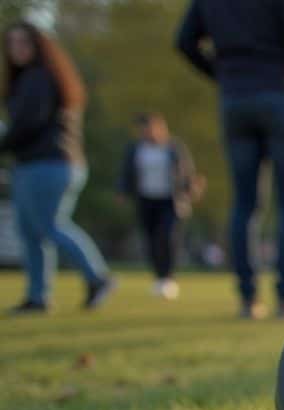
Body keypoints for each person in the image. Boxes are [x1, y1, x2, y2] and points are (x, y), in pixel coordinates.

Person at [176, 0, 284, 319]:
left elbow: (184, 42)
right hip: (279, 94)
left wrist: (223, 74)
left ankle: (248, 299)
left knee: (244, 203)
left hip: (235, 101)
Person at [1, 22, 113, 315]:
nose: (17, 49)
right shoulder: (28, 79)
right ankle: (38, 296)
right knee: (30, 232)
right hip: (37, 164)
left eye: (23, 42)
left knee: (50, 226)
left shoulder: (39, 78)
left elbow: (28, 124)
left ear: (39, 46)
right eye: (12, 43)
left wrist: (4, 142)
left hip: (48, 164)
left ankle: (98, 277)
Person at [118, 113, 199, 300]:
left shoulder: (174, 148)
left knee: (167, 236)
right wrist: (122, 191)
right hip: (146, 200)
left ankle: (168, 277)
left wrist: (191, 188)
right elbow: (127, 173)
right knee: (151, 239)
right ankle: (159, 276)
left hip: (170, 200)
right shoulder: (136, 149)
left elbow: (186, 172)